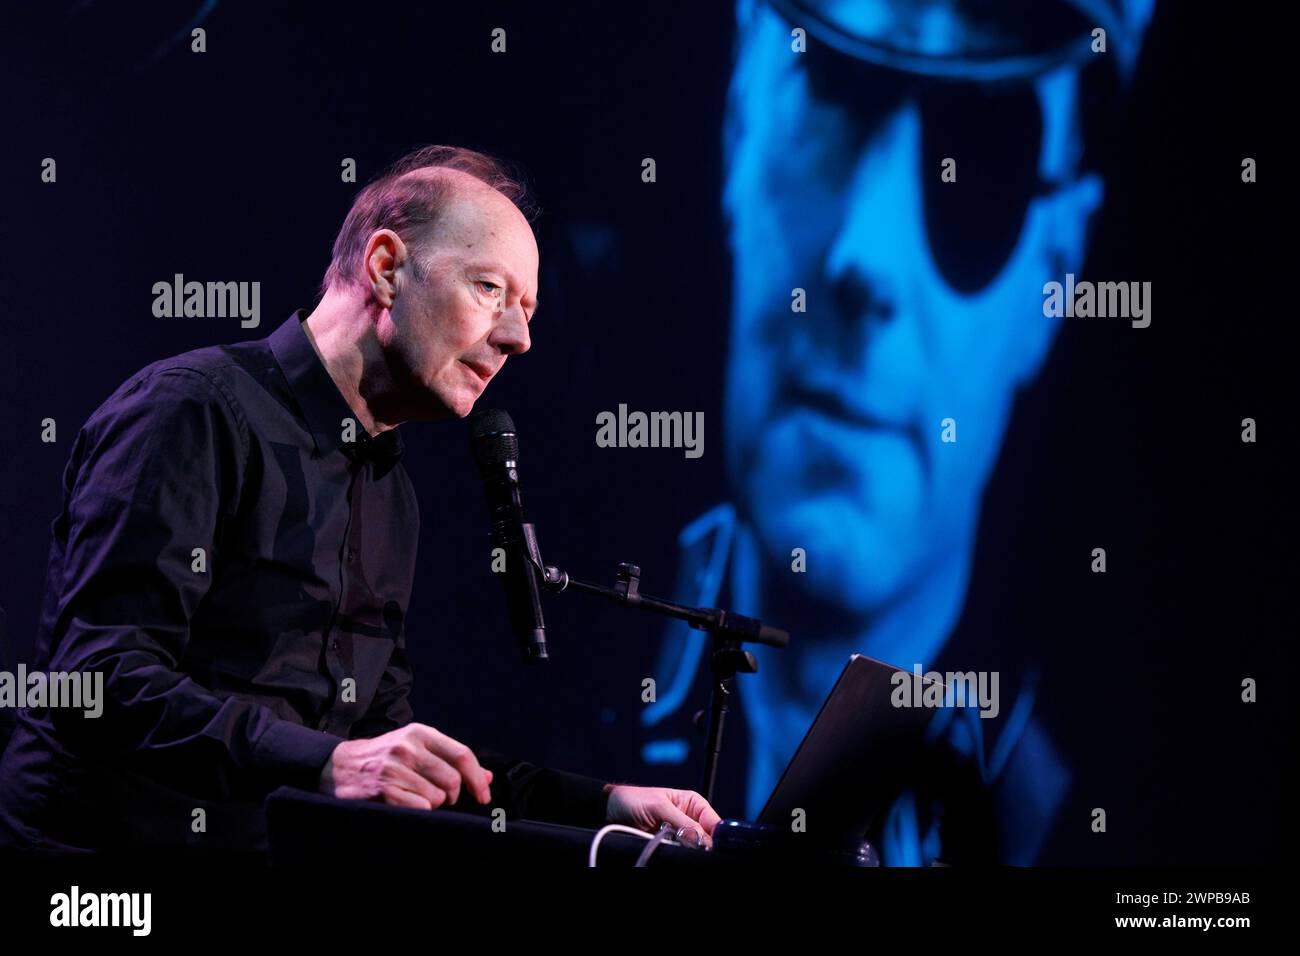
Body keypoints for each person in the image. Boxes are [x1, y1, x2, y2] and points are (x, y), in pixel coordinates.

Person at [0, 145, 721, 853]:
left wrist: (601, 804)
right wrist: (326, 761)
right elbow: (98, 679)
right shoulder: (192, 412)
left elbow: (390, 751)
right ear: (385, 268)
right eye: (491, 289)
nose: (518, 338)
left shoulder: (391, 492)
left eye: (527, 308)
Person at [642, 0, 1155, 864]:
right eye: (832, 93)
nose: (864, 260)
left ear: (1057, 273)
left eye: (986, 151)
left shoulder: (1075, 815)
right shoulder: (559, 666)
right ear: (739, 130)